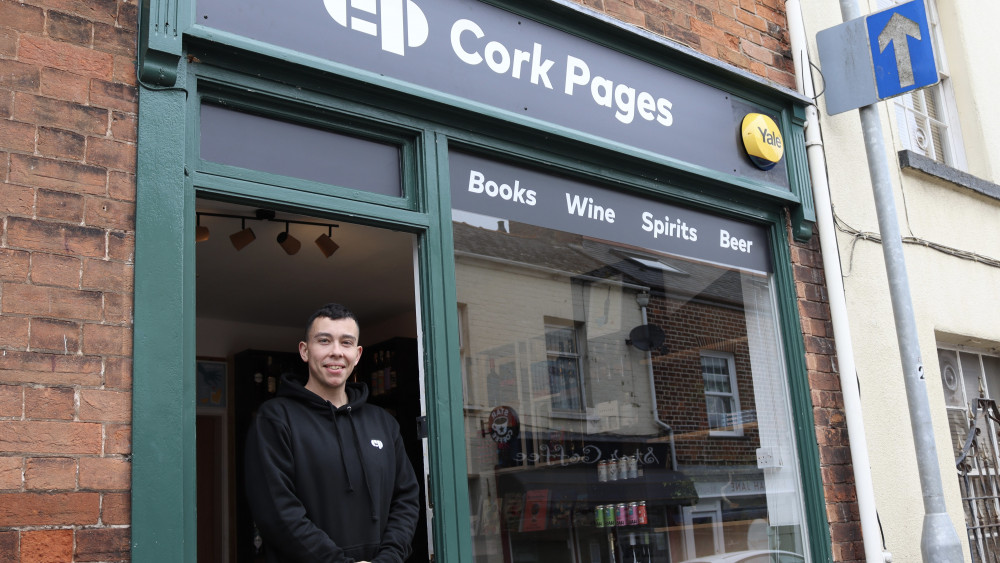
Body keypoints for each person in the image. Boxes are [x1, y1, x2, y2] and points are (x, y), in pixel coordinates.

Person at [245, 303, 420, 562]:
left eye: (346, 343)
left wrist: (389, 559)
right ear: (305, 350)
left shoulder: (383, 423)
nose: (336, 352)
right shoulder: (275, 419)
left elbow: (406, 499)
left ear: (358, 354)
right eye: (324, 341)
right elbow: (278, 512)